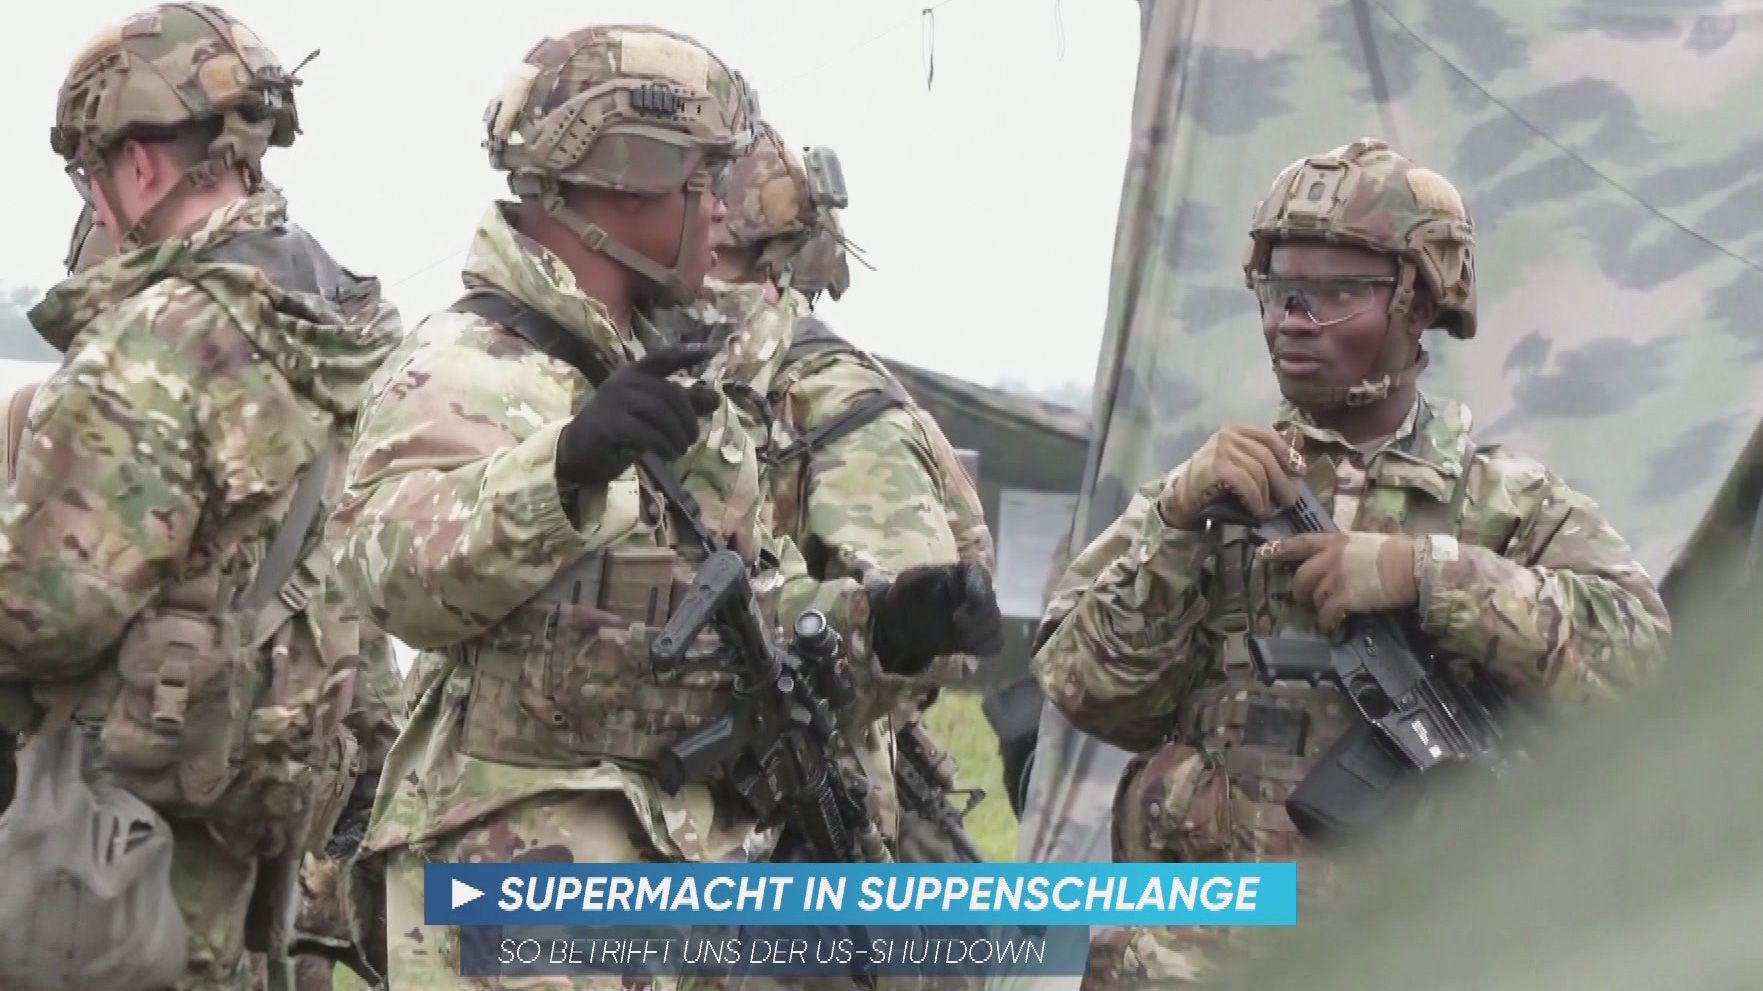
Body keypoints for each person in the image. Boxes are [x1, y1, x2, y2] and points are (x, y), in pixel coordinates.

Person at [332, 25, 1002, 990]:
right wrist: (561, 468)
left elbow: (736, 621)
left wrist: (881, 624)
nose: (720, 212)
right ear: (627, 186)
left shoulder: (676, 375)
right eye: (703, 182)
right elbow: (389, 571)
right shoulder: (470, 367)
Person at [1031, 137, 1672, 986]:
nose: (1293, 318)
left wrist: (1427, 576)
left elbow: (1640, 658)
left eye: (1336, 291)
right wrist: (1178, 523)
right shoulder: (1213, 489)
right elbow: (1081, 686)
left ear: (1418, 300)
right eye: (1279, 290)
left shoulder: (1506, 503)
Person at [0, 4, 404, 988]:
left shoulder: (156, 343)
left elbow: (44, 613)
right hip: (252, 834)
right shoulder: (335, 329)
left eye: (90, 174)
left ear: (138, 163)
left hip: (114, 858)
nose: (97, 206)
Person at [654, 120, 996, 864]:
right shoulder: (654, 364)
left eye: (714, 248)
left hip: (793, 823)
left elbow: (933, 634)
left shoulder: (831, 397)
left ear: (765, 256)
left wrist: (880, 623)